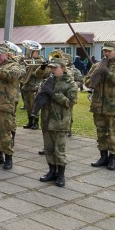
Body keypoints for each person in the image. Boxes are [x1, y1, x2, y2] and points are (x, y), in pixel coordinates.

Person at [84, 41, 115, 171]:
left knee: (113, 134)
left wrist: (108, 73)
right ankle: (103, 157)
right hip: (98, 105)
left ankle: (112, 159)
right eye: (104, 51)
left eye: (109, 51)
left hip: (114, 107)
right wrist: (97, 74)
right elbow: (88, 82)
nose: (106, 53)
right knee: (100, 133)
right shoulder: (97, 65)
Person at [37, 57, 78, 187]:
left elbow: (70, 102)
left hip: (60, 121)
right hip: (46, 120)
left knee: (59, 150)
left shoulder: (70, 83)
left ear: (63, 68)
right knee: (48, 149)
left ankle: (61, 175)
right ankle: (51, 171)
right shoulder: (48, 81)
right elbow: (40, 96)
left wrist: (54, 94)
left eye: (55, 68)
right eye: (51, 68)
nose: (52, 70)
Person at [22, 49, 48, 130]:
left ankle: (36, 123)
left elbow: (42, 74)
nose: (31, 53)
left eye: (34, 52)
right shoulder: (28, 60)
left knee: (34, 105)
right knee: (28, 105)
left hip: (34, 86)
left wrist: (32, 72)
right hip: (26, 86)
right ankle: (30, 122)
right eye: (31, 52)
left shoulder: (41, 61)